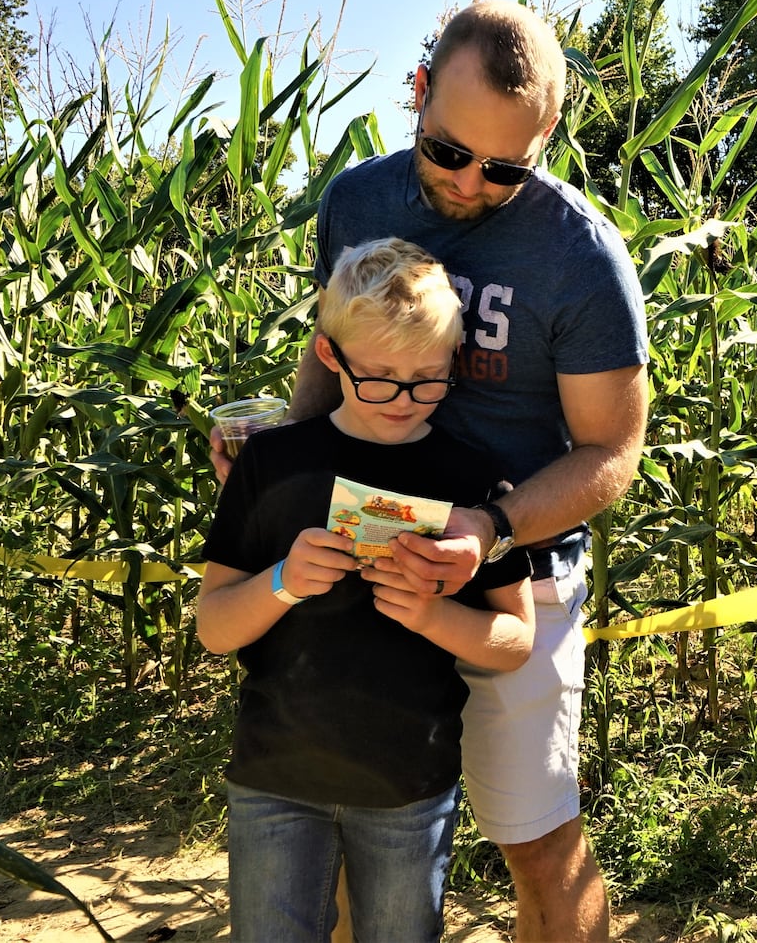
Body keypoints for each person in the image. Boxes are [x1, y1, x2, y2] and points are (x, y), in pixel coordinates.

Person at [214, 0, 649, 941]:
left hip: (504, 577)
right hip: (357, 558)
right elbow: (330, 354)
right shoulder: (355, 201)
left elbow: (614, 449)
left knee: (535, 841)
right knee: (346, 811)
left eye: (504, 168)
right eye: (448, 151)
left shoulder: (579, 258)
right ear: (417, 93)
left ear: (546, 137)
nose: (469, 182)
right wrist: (278, 459)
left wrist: (487, 527)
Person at [198, 237, 535, 942]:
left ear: (453, 364)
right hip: (274, 779)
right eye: (379, 377)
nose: (403, 400)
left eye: (427, 378)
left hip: (409, 788)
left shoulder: (472, 481)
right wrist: (284, 581)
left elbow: (515, 639)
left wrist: (433, 613)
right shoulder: (272, 462)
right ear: (330, 356)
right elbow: (215, 626)